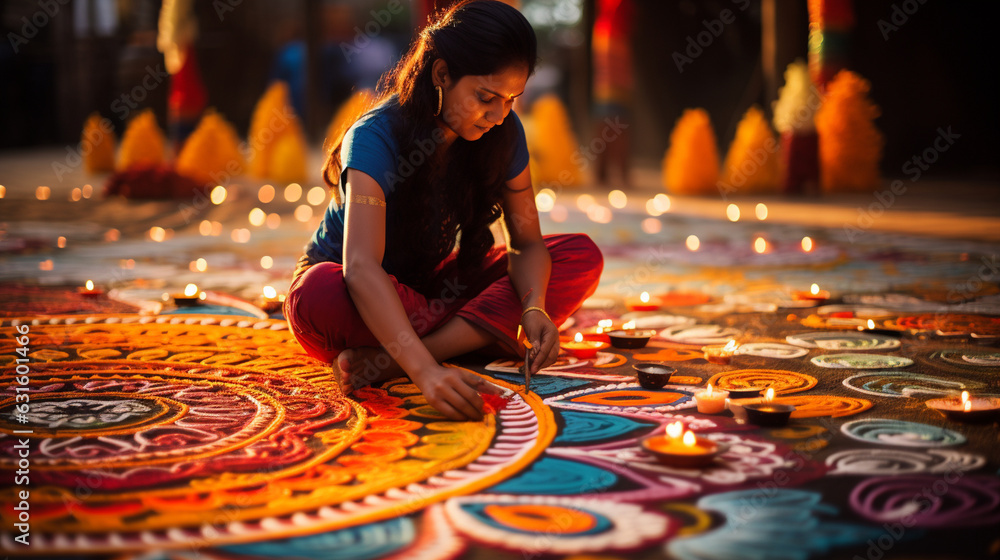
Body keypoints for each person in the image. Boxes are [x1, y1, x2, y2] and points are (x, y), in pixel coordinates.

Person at [284, 0, 603, 421]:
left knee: (577, 255)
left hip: (429, 293)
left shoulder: (504, 131)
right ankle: (470, 334)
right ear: (441, 74)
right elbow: (359, 268)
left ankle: (391, 356)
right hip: (355, 296)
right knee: (317, 292)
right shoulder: (374, 137)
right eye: (486, 97)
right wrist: (427, 374)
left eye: (511, 99)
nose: (498, 114)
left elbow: (526, 242)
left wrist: (532, 307)